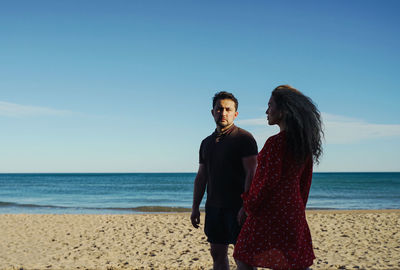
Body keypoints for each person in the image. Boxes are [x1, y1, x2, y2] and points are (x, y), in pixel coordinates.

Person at [233, 85, 323, 270]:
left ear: (282, 111)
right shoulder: (303, 144)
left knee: (242, 253)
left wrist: (249, 205)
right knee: (290, 260)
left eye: (270, 105)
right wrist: (298, 210)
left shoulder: (275, 143)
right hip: (293, 211)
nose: (266, 111)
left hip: (271, 211)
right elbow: (305, 184)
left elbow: (267, 181)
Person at [191, 91, 258, 270]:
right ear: (212, 112)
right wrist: (195, 207)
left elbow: (252, 172)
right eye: (219, 109)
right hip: (214, 208)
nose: (223, 113)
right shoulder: (206, 143)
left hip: (238, 208)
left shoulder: (244, 138)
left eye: (228, 109)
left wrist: (246, 206)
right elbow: (201, 177)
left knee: (243, 258)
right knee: (217, 255)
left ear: (235, 114)